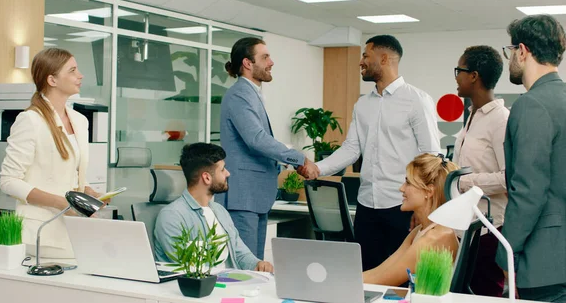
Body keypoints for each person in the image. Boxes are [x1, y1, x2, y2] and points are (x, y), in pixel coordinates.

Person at [299, 35, 441, 271]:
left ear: (384, 58)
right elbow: (352, 149)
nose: (361, 62)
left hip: (402, 206)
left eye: (365, 55)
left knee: (402, 278)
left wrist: (424, 207)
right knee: (365, 274)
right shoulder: (362, 104)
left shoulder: (416, 100)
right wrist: (317, 168)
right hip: (367, 206)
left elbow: (431, 157)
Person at [215, 37, 315, 259]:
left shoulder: (252, 93)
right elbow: (257, 139)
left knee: (255, 266)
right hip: (243, 196)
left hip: (254, 196)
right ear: (248, 63)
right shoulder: (240, 94)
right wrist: (299, 159)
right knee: (246, 269)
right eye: (265, 57)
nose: (271, 62)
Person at [0, 48, 104, 258]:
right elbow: (8, 181)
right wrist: (63, 202)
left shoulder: (80, 121)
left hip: (73, 229)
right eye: (72, 70)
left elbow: (66, 173)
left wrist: (87, 191)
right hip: (41, 233)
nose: (80, 75)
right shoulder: (30, 120)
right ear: (52, 80)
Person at [496, 14, 566, 302]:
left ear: (522, 51)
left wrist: (506, 254)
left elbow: (528, 191)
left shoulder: (531, 104)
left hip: (543, 259)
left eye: (511, 51)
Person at [154, 143, 273, 273]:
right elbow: (190, 270)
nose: (227, 173)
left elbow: (240, 254)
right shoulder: (172, 216)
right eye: (222, 169)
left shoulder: (219, 211)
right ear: (206, 177)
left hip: (229, 283)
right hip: (201, 288)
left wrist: (259, 265)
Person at [453, 45, 509, 297]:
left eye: (459, 71)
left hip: (489, 229)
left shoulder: (501, 119)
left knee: (487, 294)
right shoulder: (472, 115)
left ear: (474, 76)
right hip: (466, 225)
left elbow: (509, 178)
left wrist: (464, 181)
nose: (456, 77)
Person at [362, 153, 459, 286]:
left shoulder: (434, 239)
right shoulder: (422, 229)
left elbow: (382, 280)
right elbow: (382, 270)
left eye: (408, 183)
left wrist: (338, 280)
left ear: (429, 192)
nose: (401, 188)